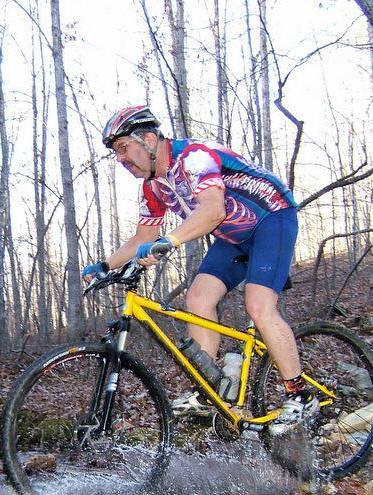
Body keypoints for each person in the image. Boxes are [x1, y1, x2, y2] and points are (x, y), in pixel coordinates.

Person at [82, 105, 319, 434]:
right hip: (233, 237)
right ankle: (209, 391)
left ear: (149, 139)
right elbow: (143, 237)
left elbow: (212, 210)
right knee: (197, 298)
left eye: (124, 148)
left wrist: (170, 241)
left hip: (271, 217)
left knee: (258, 305)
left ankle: (301, 394)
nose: (121, 159)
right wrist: (106, 265)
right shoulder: (154, 186)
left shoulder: (193, 157)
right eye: (116, 153)